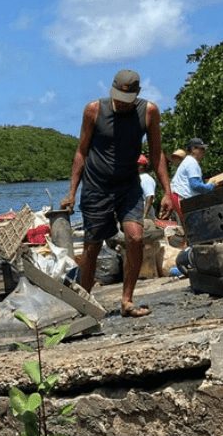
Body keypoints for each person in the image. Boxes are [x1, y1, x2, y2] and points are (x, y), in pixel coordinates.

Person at [59, 69, 175, 317]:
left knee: (135, 237)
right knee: (92, 245)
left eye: (127, 100)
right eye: (118, 99)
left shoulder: (149, 112)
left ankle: (127, 301)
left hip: (128, 185)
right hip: (96, 186)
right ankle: (84, 305)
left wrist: (168, 191)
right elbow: (81, 152)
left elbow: (156, 154)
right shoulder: (94, 110)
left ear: (137, 94)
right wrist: (71, 192)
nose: (122, 105)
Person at [170, 138, 214, 203]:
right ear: (193, 149)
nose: (204, 151)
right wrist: (211, 186)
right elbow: (195, 185)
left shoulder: (188, 161)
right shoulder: (192, 162)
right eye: (201, 148)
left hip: (178, 197)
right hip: (181, 199)